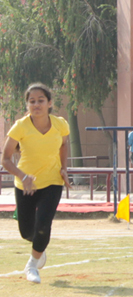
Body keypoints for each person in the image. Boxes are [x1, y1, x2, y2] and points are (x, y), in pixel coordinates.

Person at [1, 83, 71, 284]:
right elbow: (5, 159)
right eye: (32, 101)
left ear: (50, 103)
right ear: (27, 105)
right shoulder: (20, 126)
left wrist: (64, 168)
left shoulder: (60, 124)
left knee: (43, 224)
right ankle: (39, 247)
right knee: (27, 232)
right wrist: (23, 177)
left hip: (52, 182)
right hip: (26, 185)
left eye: (41, 100)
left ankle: (32, 265)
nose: (36, 104)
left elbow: (64, 144)